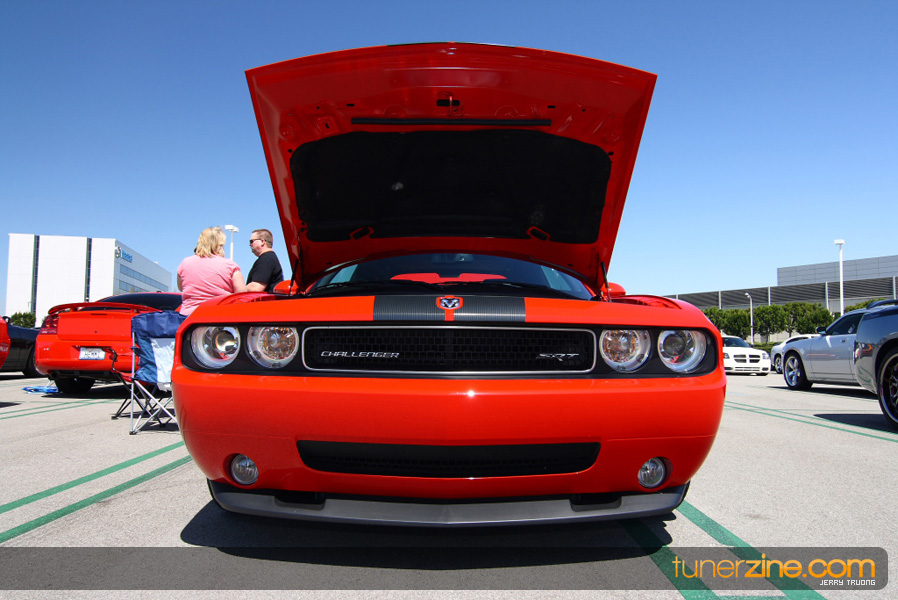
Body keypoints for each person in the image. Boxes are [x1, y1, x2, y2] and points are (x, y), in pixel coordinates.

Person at [177, 226, 247, 316]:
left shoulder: (185, 263)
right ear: (220, 244)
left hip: (189, 317)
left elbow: (181, 287)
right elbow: (241, 294)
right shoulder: (230, 265)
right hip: (219, 315)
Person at [245, 228, 284, 292]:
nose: (250, 244)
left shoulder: (266, 259)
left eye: (251, 241)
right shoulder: (270, 258)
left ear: (262, 242)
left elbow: (256, 288)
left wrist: (238, 289)